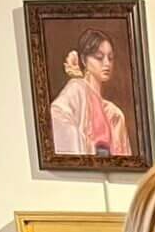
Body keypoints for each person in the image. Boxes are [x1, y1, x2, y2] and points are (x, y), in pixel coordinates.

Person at [49, 29, 132, 158]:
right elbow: (57, 113)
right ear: (83, 60)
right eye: (99, 57)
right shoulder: (77, 89)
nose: (107, 63)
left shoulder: (115, 113)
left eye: (110, 58)